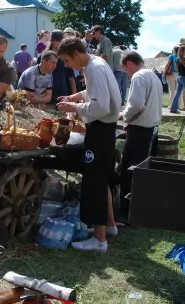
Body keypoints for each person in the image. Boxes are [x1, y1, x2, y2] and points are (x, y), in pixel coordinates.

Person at [55, 38, 121, 252]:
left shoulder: (93, 69)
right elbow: (95, 94)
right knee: (102, 179)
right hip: (105, 129)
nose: (67, 65)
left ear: (76, 54)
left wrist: (74, 107)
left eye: (66, 60)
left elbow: (99, 106)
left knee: (94, 181)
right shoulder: (96, 65)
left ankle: (99, 240)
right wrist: (75, 97)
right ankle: (109, 227)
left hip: (100, 128)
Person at [118, 51, 163, 222]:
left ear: (130, 63)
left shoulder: (138, 76)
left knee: (131, 172)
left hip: (140, 131)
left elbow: (136, 104)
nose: (127, 75)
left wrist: (125, 116)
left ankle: (128, 213)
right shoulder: (153, 76)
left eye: (125, 71)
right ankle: (140, 209)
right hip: (150, 128)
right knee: (142, 171)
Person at [36, 30, 76, 104]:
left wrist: (74, 97)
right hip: (47, 100)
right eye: (59, 41)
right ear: (53, 41)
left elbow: (71, 78)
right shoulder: (43, 57)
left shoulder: (66, 57)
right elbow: (37, 77)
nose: (62, 44)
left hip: (63, 97)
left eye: (62, 42)